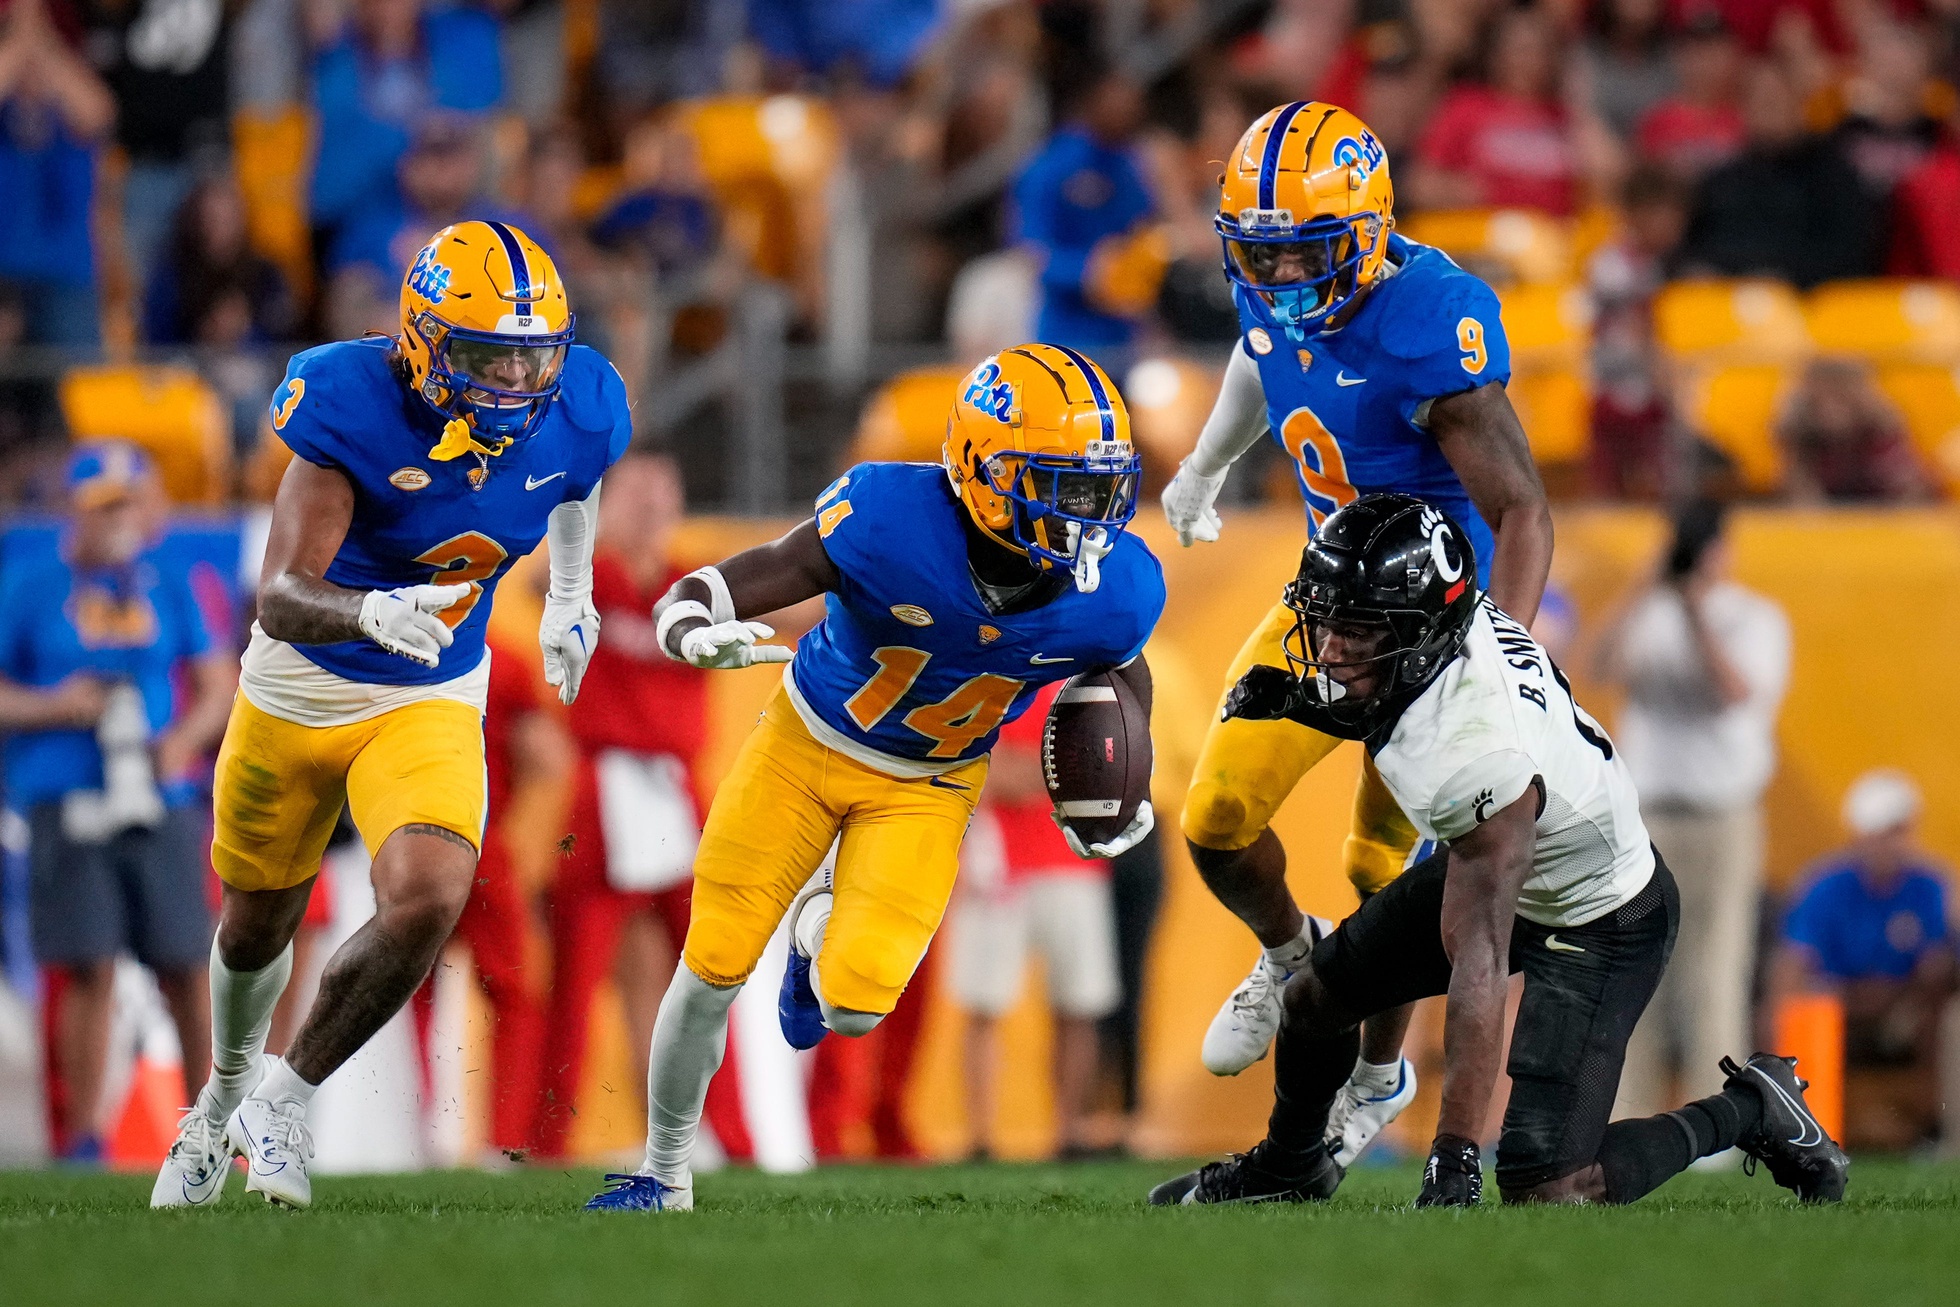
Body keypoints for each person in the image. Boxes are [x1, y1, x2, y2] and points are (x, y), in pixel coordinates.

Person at [586, 343, 1165, 1212]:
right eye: (1055, 484)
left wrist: (1123, 775)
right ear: (978, 467)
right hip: (804, 743)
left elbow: (1121, 667)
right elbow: (752, 572)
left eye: (1094, 488)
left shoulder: (1113, 587)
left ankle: (815, 937)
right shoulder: (889, 515)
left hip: (930, 783)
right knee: (708, 969)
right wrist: (685, 618)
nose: (1080, 515)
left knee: (856, 1006)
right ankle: (663, 1173)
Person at [1152, 493, 1846, 1208]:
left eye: (1356, 629)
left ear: (1418, 632)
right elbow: (1392, 691)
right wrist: (1307, 702)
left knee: (1547, 1184)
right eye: (1325, 619)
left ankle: (1751, 1107)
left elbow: (1478, 959)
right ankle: (1287, 1168)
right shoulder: (1436, 645)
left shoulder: (1475, 753)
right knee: (1315, 995)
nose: (1328, 646)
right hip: (1525, 859)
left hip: (1600, 916)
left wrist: (1453, 1155)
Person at [149, 219, 629, 1210]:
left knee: (429, 890)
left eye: (534, 357)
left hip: (430, 692)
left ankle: (286, 1095)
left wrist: (571, 594)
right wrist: (369, 607)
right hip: (299, 687)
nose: (516, 384)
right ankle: (218, 1100)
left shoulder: (582, 402)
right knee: (253, 929)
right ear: (422, 340)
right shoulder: (347, 402)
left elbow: (573, 479)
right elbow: (281, 594)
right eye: (491, 358)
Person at [1157, 101, 1553, 1168]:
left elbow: (1521, 508)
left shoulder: (1428, 315)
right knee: (1216, 818)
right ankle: (1290, 954)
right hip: (1321, 599)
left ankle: (1379, 1074)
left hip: (1430, 627)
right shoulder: (1278, 278)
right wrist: (1206, 464)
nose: (1280, 275)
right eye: (1261, 252)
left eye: (1303, 252)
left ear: (1369, 229)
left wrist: (1500, 658)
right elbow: (1260, 346)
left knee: (1388, 877)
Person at [0, 443, 234, 1162]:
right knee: (87, 962)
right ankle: (82, 1139)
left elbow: (218, 682)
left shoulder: (171, 580)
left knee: (187, 962)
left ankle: (210, 1128)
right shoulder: (31, 584)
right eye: (106, 506)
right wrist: (54, 706)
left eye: (132, 502)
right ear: (75, 511)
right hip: (65, 793)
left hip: (160, 792)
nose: (121, 519)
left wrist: (182, 742)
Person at [532, 448, 752, 1166]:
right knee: (575, 975)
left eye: (664, 488)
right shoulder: (592, 576)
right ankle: (542, 1143)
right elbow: (541, 577)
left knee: (710, 969)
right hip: (604, 787)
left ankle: (720, 1136)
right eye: (637, 490)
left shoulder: (698, 582)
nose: (652, 503)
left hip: (676, 790)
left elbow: (790, 600)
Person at [1593, 498, 1790, 1122]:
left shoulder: (1756, 618)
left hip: (1722, 817)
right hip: (1646, 817)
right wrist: (1642, 587)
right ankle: (1628, 1120)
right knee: (1634, 972)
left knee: (1714, 972)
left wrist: (1694, 609)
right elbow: (1596, 667)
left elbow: (1733, 692)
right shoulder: (1646, 613)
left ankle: (1712, 1124)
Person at [948, 680, 1121, 1161]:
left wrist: (1028, 772)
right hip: (999, 864)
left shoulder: (1081, 683)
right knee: (984, 1004)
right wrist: (1055, 772)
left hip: (1072, 862)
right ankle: (980, 1138)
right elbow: (976, 770)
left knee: (1080, 1004)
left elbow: (1102, 769)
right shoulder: (988, 683)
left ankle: (1070, 1133)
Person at [1773, 770, 1958, 1149]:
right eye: (1886, 833)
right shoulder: (1826, 886)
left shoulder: (1929, 886)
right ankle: (1792, 1123)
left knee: (1938, 1017)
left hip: (1902, 1010)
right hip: (1838, 1007)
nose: (1894, 844)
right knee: (1802, 1010)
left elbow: (1937, 967)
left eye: (1901, 831)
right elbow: (1793, 966)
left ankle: (1932, 1126)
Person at [307, 0, 503, 257]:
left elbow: (479, 120)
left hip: (464, 212)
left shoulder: (459, 41)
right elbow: (326, 196)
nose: (390, 7)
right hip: (370, 217)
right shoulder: (335, 66)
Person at [1676, 59, 1881, 288]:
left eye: (1777, 98)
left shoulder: (1836, 178)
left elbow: (1850, 257)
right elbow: (1691, 250)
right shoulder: (1720, 182)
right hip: (1726, 308)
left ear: (1800, 103)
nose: (1768, 107)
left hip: (1810, 310)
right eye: (1759, 99)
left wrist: (1779, 277)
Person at [1011, 66, 1159, 354]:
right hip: (1066, 335)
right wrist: (1086, 271)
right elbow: (1031, 252)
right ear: (1092, 101)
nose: (1129, 106)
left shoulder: (1131, 166)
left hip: (1125, 335)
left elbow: (1144, 229)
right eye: (1116, 96)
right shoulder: (1049, 167)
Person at [0, 0, 115, 349]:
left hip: (66, 279)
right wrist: (22, 33)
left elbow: (101, 112)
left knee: (78, 396)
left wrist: (39, 35)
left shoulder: (72, 118)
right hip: (4, 276)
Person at [1410, 7, 1580, 215]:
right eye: (1519, 50)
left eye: (1538, 51)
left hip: (1556, 239)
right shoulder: (1465, 106)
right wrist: (1457, 191)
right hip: (1480, 238)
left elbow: (1602, 179)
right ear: (1495, 54)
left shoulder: (1565, 116)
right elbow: (1419, 184)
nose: (1527, 61)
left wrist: (1580, 103)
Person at [1778, 358, 1935, 504]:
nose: (1831, 408)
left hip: (1882, 521)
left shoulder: (1882, 431)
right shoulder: (1798, 434)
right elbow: (1802, 498)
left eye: (1840, 397)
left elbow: (1910, 494)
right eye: (1821, 398)